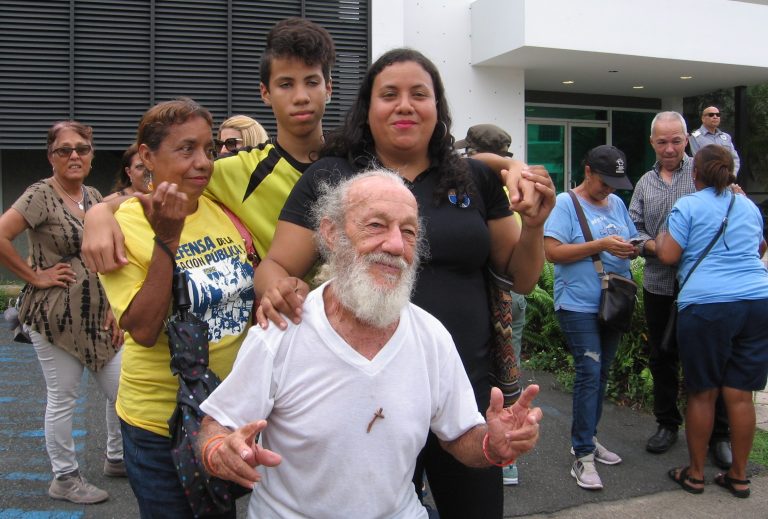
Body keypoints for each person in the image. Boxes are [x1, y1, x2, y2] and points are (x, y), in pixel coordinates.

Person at [253, 48, 554, 519]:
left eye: (420, 94)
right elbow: (275, 265)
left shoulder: (475, 178)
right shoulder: (333, 176)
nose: (405, 105)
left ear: (438, 108)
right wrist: (274, 287)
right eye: (388, 94)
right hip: (366, 401)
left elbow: (522, 277)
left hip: (464, 394)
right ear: (367, 109)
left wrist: (533, 226)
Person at [197, 170, 543, 519]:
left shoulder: (430, 336)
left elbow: (459, 435)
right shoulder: (284, 330)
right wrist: (218, 450)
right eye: (376, 225)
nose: (395, 245)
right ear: (331, 234)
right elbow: (216, 425)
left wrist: (493, 444)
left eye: (408, 232)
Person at [97, 98, 255, 518]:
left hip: (223, 414)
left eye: (208, 148)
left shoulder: (222, 210)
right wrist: (167, 238)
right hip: (159, 426)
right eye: (186, 149)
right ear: (147, 156)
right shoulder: (127, 222)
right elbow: (144, 329)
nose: (203, 162)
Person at [82, 17, 336, 271]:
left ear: (329, 88)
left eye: (312, 82)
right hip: (277, 304)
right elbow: (154, 195)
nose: (301, 97)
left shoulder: (355, 162)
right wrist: (98, 215)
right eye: (286, 84)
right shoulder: (237, 170)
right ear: (265, 93)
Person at [0, 120, 124, 504]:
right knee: (63, 395)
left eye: (81, 149)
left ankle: (118, 459)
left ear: (91, 154)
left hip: (97, 313)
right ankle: (65, 478)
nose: (74, 155)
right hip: (54, 316)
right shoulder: (39, 195)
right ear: (50, 156)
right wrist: (34, 276)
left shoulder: (92, 195)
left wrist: (116, 308)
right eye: (64, 150)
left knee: (122, 390)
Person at [657, 144, 768, 498]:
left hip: (707, 306)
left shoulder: (688, 204)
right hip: (756, 301)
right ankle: (738, 476)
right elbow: (759, 247)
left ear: (695, 175)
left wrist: (660, 239)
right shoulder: (747, 205)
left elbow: (669, 254)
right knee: (740, 394)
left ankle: (695, 474)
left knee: (703, 393)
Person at [629, 112, 732, 468]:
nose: (669, 148)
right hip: (659, 284)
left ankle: (720, 435)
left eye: (676, 140)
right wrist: (654, 248)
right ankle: (667, 423)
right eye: (662, 142)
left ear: (686, 139)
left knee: (708, 360)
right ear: (652, 143)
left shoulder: (707, 175)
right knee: (661, 356)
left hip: (703, 287)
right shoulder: (644, 183)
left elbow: (730, 215)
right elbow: (634, 228)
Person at [543, 145, 636, 490]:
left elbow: (628, 236)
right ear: (587, 172)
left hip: (613, 302)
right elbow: (552, 253)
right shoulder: (567, 204)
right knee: (590, 371)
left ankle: (590, 438)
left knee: (602, 374)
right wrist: (601, 246)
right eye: (604, 182)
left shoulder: (617, 204)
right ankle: (582, 454)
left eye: (615, 183)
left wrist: (634, 245)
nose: (609, 189)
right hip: (578, 304)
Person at [455, 122, 526, 486]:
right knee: (506, 365)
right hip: (511, 293)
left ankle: (496, 446)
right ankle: (506, 452)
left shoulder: (482, 185)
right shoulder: (513, 184)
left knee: (486, 376)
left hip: (494, 289)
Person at [689, 106, 740, 175]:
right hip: (708, 179)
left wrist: (732, 175)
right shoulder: (695, 136)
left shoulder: (726, 136)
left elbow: (734, 158)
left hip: (727, 179)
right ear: (703, 119)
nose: (715, 117)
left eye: (718, 115)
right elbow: (698, 161)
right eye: (711, 115)